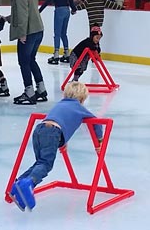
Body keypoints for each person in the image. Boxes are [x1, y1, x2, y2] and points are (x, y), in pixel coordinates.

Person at [8, 81, 104, 212]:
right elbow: (96, 123)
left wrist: (62, 141)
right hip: (53, 132)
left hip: (39, 129)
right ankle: (28, 182)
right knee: (46, 165)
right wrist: (99, 141)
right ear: (82, 98)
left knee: (39, 162)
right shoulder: (79, 108)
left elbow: (60, 120)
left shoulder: (60, 104)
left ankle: (17, 185)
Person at [1, 0, 47, 106]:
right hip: (38, 29)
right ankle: (41, 89)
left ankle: (29, 92)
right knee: (31, 59)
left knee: (24, 61)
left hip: (29, 31)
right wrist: (8, 18)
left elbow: (22, 13)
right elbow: (25, 11)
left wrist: (22, 33)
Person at [39, 0, 77, 65]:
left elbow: (47, 1)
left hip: (59, 10)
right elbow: (71, 2)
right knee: (64, 33)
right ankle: (66, 53)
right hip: (67, 11)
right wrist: (74, 9)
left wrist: (39, 11)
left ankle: (56, 54)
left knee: (57, 33)